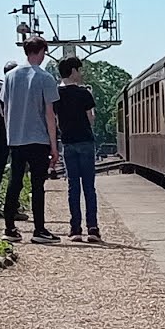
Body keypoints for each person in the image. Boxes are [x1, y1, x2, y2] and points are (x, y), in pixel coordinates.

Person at [0, 36, 61, 244]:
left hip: (16, 138)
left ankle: (9, 228)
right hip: (38, 138)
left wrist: (11, 132)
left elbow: (5, 107)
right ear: (42, 50)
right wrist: (54, 145)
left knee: (14, 181)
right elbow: (49, 115)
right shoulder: (45, 78)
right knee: (37, 185)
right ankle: (39, 230)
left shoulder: (10, 76)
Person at [54, 56, 100, 243]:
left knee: (73, 186)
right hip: (86, 142)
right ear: (73, 71)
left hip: (68, 143)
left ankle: (75, 229)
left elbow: (56, 120)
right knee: (89, 186)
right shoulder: (84, 93)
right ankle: (93, 228)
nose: (81, 74)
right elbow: (91, 118)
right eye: (79, 70)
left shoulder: (56, 94)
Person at [0, 61, 27, 223]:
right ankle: (13, 206)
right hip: (16, 134)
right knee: (17, 170)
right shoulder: (17, 90)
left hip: (0, 135)